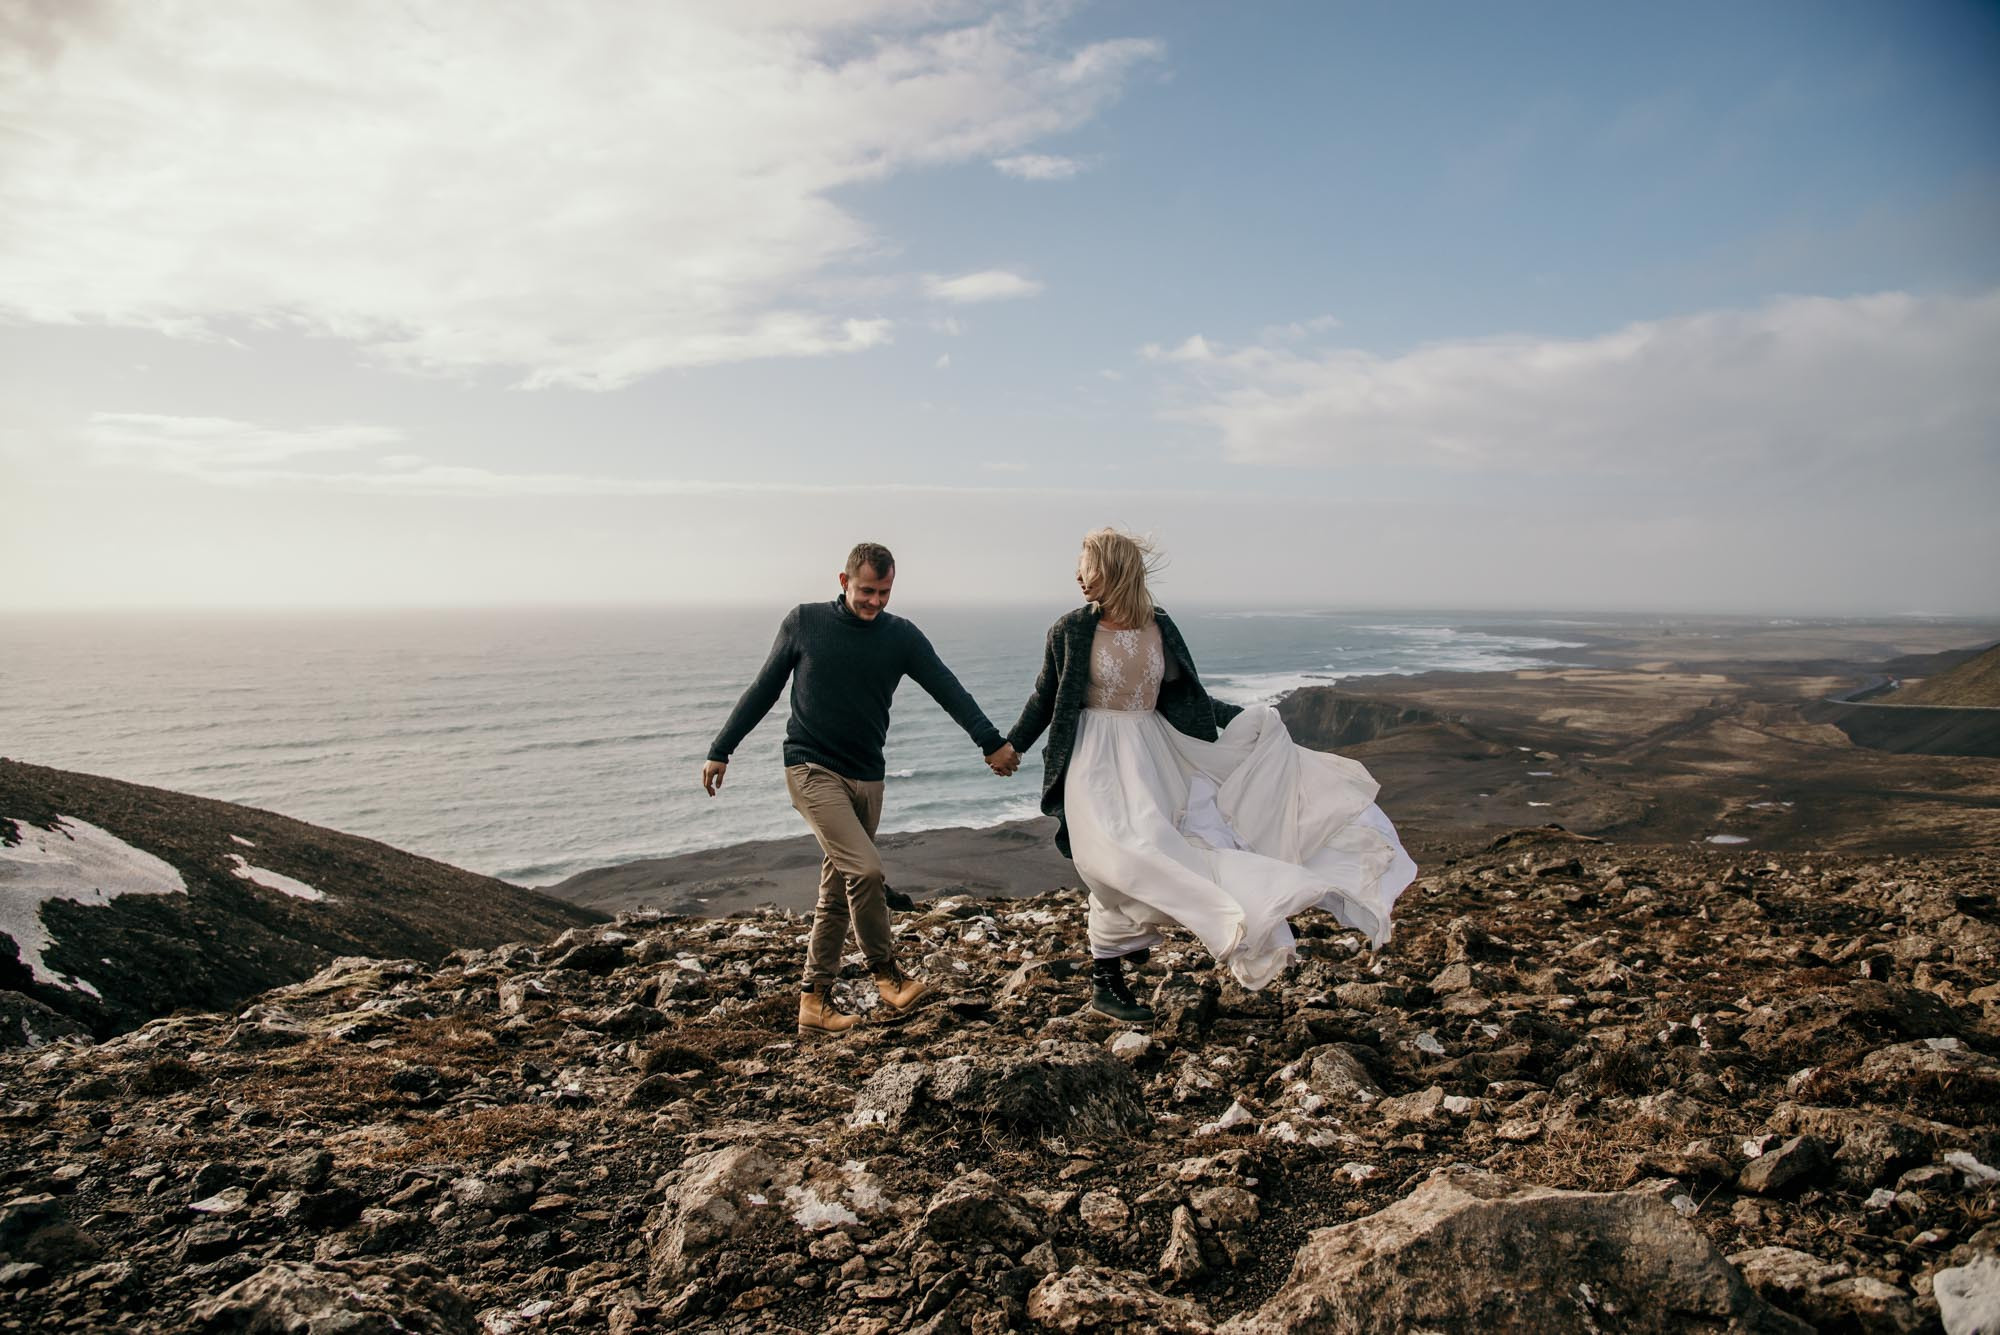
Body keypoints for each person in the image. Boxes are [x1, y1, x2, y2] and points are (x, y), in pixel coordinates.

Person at [1006, 528, 1417, 1022]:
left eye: (1086, 565)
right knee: (1115, 856)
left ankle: (1123, 953)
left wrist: (1246, 721)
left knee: (1172, 847)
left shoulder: (1160, 627)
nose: (1077, 575)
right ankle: (1108, 975)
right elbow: (1047, 697)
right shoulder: (1070, 629)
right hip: (1094, 760)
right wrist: (1012, 746)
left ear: (1113, 568)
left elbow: (1185, 697)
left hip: (1155, 753)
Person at [702, 542, 1020, 1038]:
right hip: (811, 768)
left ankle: (814, 1001)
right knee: (867, 871)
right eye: (867, 590)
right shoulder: (805, 623)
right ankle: (887, 975)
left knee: (838, 889)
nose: (875, 602)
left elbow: (947, 687)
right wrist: (723, 747)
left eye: (885, 592)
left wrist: (990, 741)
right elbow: (764, 688)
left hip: (868, 777)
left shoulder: (901, 637)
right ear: (844, 580)